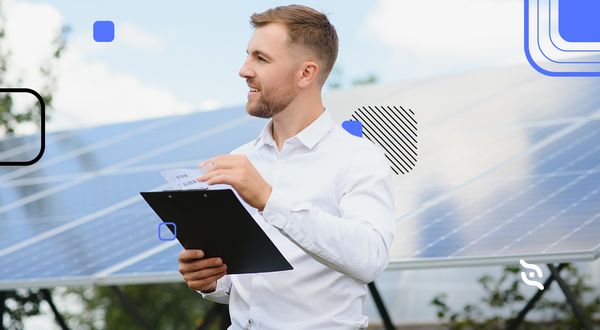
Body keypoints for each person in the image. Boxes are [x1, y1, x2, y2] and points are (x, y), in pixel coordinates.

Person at [178, 4, 396, 329]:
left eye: (261, 59)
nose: (243, 69)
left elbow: (370, 258)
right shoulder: (241, 160)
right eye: (248, 55)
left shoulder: (358, 158)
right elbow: (245, 286)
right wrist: (211, 280)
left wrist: (269, 198)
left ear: (306, 73)